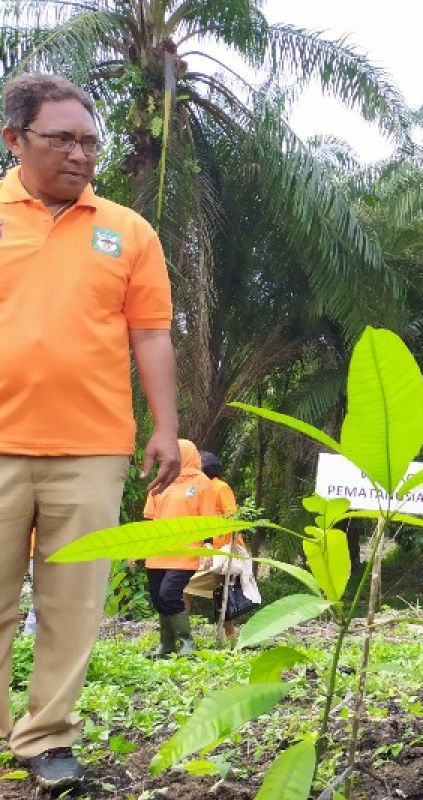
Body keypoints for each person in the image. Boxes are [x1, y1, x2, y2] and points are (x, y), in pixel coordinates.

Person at [0, 73, 178, 791]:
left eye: (89, 141)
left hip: (93, 447)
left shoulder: (128, 231)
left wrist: (166, 427)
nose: (80, 154)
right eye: (62, 139)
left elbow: (152, 334)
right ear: (16, 140)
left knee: (73, 604)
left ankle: (46, 739)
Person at [143, 440, 218, 658]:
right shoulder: (159, 482)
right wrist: (137, 549)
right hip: (157, 552)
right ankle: (166, 646)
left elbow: (208, 520)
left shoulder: (201, 482)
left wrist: (207, 545)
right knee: (158, 598)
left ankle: (187, 643)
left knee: (169, 595)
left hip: (185, 552)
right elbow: (149, 520)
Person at [183, 451, 245, 642]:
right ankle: (230, 637)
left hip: (222, 550)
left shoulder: (220, 487)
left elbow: (231, 517)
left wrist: (213, 546)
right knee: (221, 593)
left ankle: (181, 636)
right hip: (209, 551)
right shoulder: (202, 489)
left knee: (185, 588)